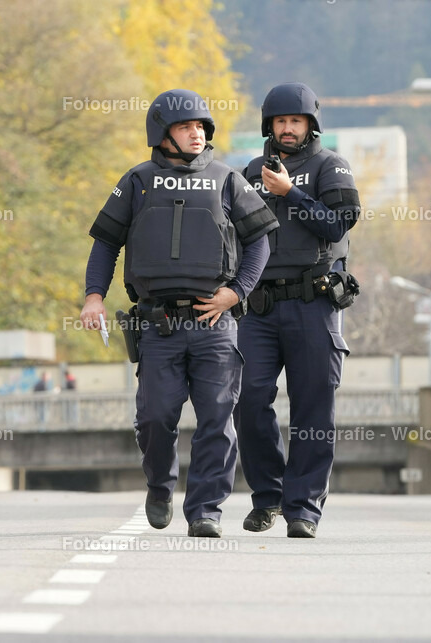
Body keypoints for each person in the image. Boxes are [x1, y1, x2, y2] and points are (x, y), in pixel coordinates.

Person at [81, 89, 276, 538]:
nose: (197, 133)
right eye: (187, 126)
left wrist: (237, 292)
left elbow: (260, 241)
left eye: (202, 127)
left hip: (215, 324)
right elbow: (106, 243)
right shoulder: (137, 180)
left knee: (216, 420)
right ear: (162, 132)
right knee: (155, 416)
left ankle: (206, 509)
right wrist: (94, 296)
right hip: (158, 325)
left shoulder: (227, 179)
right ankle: (159, 485)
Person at [234, 83, 361, 539]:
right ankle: (267, 497)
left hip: (314, 302)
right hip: (259, 307)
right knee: (247, 401)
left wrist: (291, 194)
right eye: (280, 122)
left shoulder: (332, 165)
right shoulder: (249, 172)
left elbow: (339, 223)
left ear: (310, 124)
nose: (287, 129)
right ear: (269, 125)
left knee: (313, 408)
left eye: (296, 121)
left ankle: (303, 507)